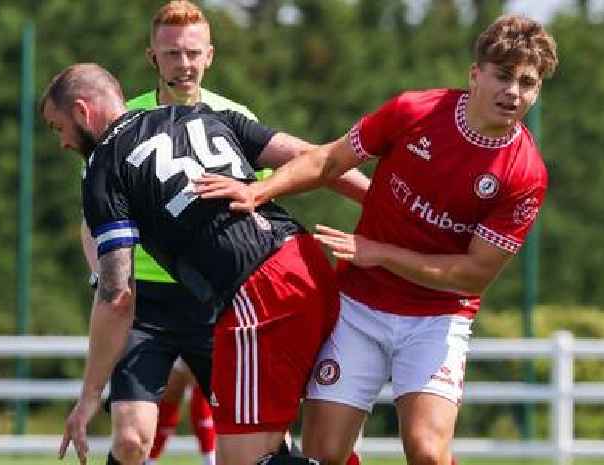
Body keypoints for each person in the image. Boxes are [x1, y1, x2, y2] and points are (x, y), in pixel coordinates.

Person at [193, 14, 558, 465]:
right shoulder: (415, 112)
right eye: (503, 76)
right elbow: (328, 160)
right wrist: (257, 190)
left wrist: (381, 253)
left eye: (527, 83)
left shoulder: (525, 174)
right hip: (360, 308)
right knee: (323, 455)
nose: (513, 93)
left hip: (437, 318)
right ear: (475, 74)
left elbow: (474, 274)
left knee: (426, 451)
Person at [44, 64, 368, 465]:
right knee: (288, 447)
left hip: (258, 293)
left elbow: (116, 295)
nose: (62, 142)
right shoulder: (202, 115)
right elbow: (313, 157)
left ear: (81, 111)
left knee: (243, 459)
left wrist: (89, 397)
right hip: (306, 260)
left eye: (58, 128)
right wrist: (383, 206)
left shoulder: (103, 168)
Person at [77, 3, 262, 465]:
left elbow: (266, 198)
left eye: (192, 52)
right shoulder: (123, 124)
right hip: (146, 305)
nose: (183, 64)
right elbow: (92, 220)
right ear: (152, 57)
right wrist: (105, 280)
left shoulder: (234, 117)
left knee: (252, 440)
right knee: (131, 440)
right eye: (172, 53)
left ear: (210, 56)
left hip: (217, 301)